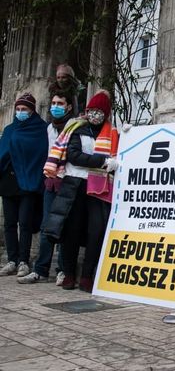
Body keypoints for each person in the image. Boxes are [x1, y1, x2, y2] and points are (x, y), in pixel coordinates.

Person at [42, 91, 119, 292]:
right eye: (92, 110)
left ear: (106, 113)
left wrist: (127, 133)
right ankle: (68, 274)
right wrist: (102, 162)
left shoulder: (112, 132)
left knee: (96, 232)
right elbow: (74, 156)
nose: (95, 115)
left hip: (98, 188)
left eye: (99, 111)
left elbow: (120, 153)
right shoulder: (77, 128)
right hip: (74, 185)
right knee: (71, 231)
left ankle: (87, 276)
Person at [17, 91, 75, 285]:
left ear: (68, 106)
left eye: (60, 103)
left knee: (64, 227)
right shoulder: (50, 128)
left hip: (67, 181)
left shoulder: (74, 126)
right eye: (53, 103)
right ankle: (41, 269)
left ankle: (62, 270)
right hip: (50, 181)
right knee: (45, 227)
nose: (55, 106)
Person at [0, 93, 48, 277]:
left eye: (24, 109)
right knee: (10, 223)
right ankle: (11, 260)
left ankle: (23, 261)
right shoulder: (10, 129)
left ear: (32, 110)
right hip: (9, 181)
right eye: (18, 109)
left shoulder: (40, 129)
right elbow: (3, 152)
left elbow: (41, 154)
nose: (20, 112)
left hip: (29, 181)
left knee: (25, 223)